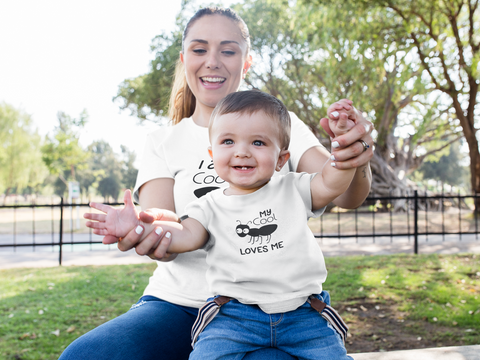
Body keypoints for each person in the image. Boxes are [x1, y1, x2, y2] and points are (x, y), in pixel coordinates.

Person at [60, 6, 373, 360]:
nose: (212, 61)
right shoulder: (163, 141)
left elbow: (341, 190)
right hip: (177, 305)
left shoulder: (278, 122)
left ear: (246, 61)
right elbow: (169, 219)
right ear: (183, 60)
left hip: (273, 307)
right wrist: (144, 228)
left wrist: (351, 154)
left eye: (227, 50)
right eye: (199, 49)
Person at [86, 90, 355, 360]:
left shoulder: (294, 187)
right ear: (212, 154)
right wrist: (140, 227)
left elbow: (330, 183)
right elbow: (185, 234)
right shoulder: (208, 205)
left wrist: (344, 150)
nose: (242, 152)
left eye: (258, 143)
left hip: (305, 314)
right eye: (228, 141)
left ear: (281, 159)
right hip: (234, 317)